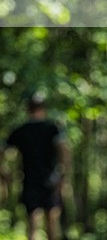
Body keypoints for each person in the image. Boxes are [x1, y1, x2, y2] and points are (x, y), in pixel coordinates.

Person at [6, 94, 68, 240]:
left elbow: (2, 151)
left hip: (29, 180)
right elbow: (65, 150)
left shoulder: (20, 131)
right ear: (43, 109)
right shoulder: (52, 128)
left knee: (32, 223)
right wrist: (63, 175)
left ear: (28, 109)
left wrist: (4, 172)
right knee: (52, 221)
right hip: (50, 180)